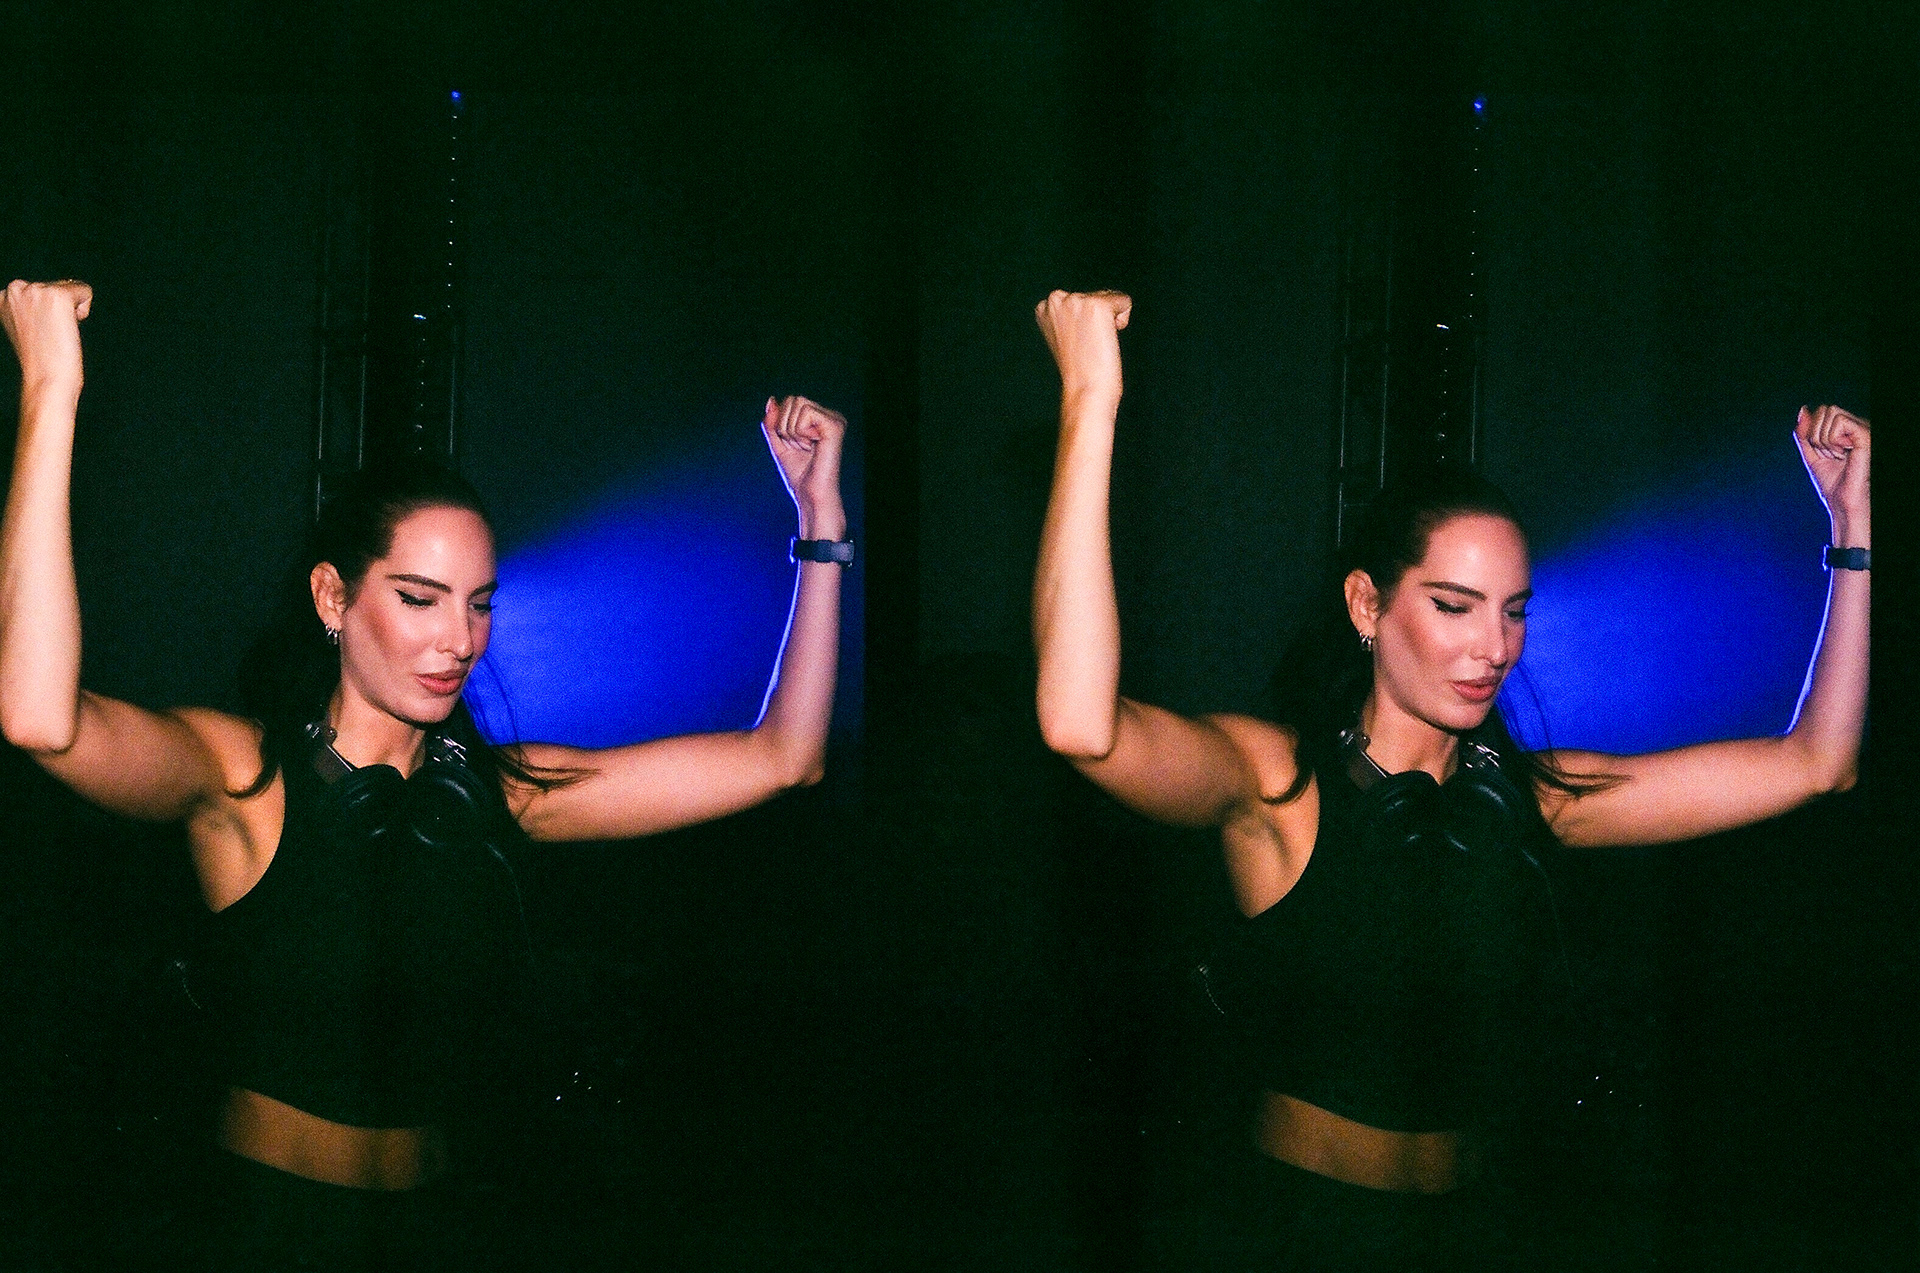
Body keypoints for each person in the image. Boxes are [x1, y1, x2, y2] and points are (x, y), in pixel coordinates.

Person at [0, 279, 851, 1270]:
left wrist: (820, 519)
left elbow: (785, 758)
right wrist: (50, 389)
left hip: (439, 1232)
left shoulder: (493, 793)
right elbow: (39, 718)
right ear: (333, 596)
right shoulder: (243, 776)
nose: (460, 639)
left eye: (479, 602)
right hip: (263, 1231)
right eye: (419, 598)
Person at [1029, 289, 1869, 1270]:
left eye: (1513, 609)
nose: (1494, 646)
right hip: (1296, 1233)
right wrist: (1089, 399)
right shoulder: (1277, 783)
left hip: (1475, 1233)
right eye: (1455, 605)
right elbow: (1079, 724)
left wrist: (1852, 528)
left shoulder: (1524, 798)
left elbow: (1819, 763)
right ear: (1367, 605)